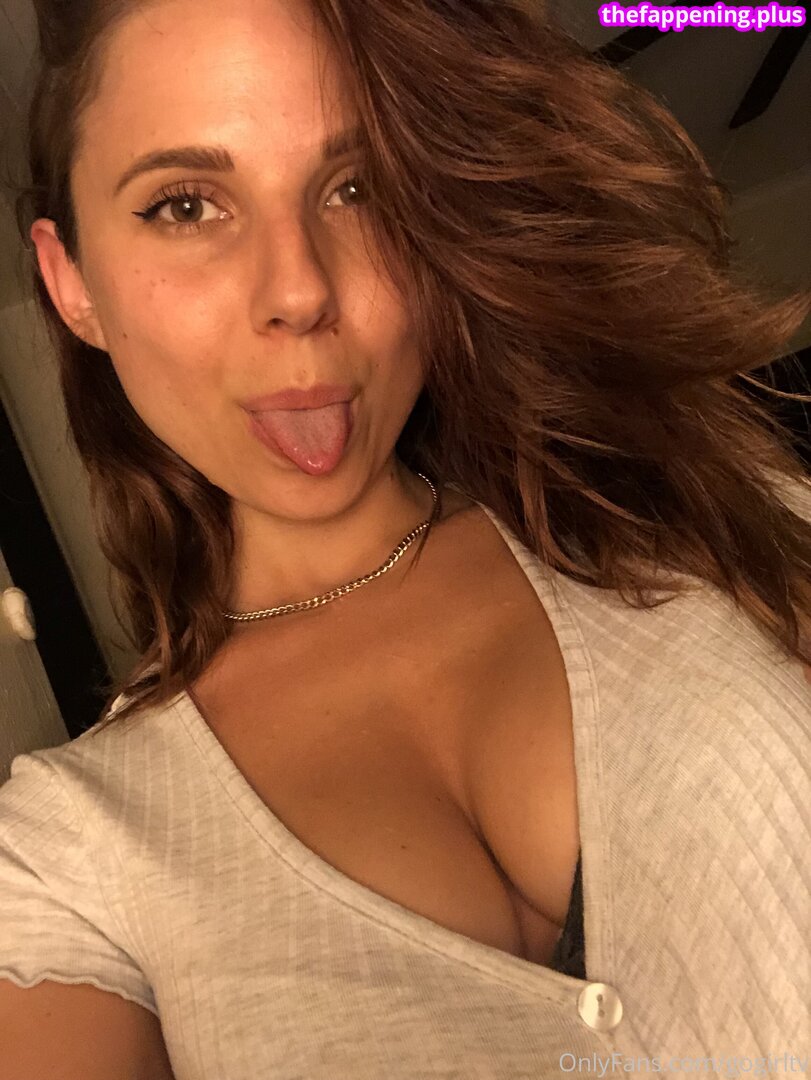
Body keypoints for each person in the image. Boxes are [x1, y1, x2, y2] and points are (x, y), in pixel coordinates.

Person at [1, 0, 809, 1076]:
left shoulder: (700, 510)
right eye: (186, 205)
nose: (300, 290)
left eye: (359, 187)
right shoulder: (66, 857)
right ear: (71, 285)